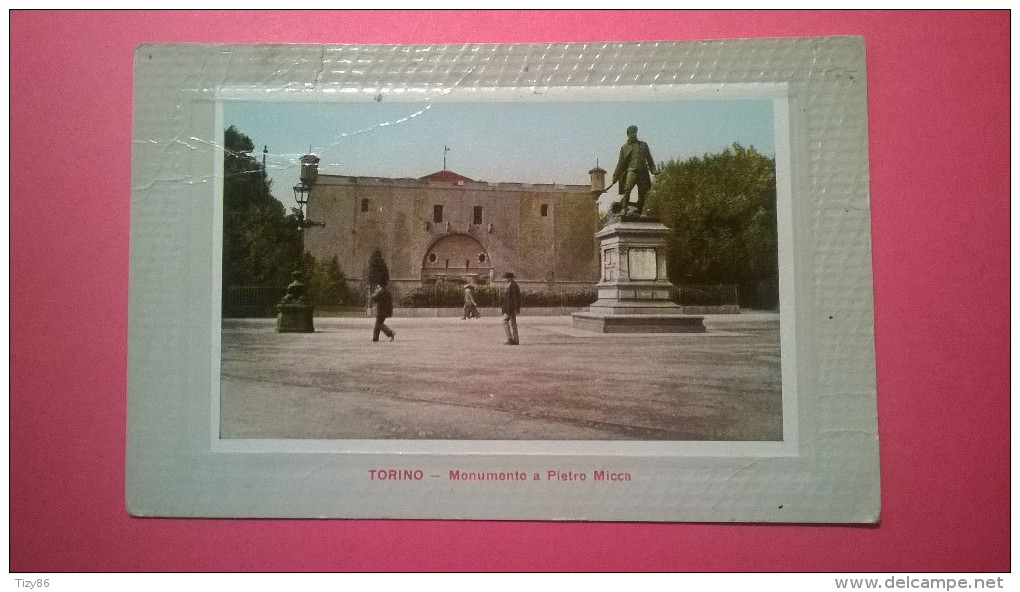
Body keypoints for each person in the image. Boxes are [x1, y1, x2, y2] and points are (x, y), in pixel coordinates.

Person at [611, 125, 658, 215]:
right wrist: (615, 176)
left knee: (642, 192)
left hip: (643, 171)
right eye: (632, 132)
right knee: (627, 189)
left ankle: (639, 210)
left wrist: (653, 170)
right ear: (628, 134)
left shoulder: (644, 145)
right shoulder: (624, 148)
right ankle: (624, 208)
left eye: (635, 132)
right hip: (631, 170)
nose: (634, 134)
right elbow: (620, 163)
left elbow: (649, 159)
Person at [501, 272, 521, 345]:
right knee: (513, 323)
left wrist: (516, 308)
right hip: (509, 307)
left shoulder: (513, 285)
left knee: (504, 321)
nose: (505, 279)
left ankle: (509, 339)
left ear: (510, 278)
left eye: (506, 278)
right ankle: (516, 340)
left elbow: (516, 298)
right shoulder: (510, 285)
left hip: (510, 308)